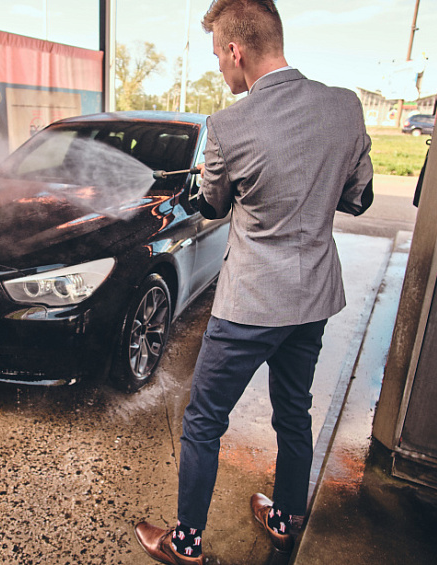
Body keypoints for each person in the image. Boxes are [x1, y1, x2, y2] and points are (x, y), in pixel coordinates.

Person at [133, 1, 374, 563]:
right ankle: (286, 519)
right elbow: (358, 199)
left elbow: (214, 205)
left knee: (203, 421)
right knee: (294, 411)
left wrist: (214, 182)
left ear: (236, 51)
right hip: (312, 297)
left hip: (249, 305)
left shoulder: (229, 125)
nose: (220, 67)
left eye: (218, 56)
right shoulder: (345, 106)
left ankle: (186, 543)